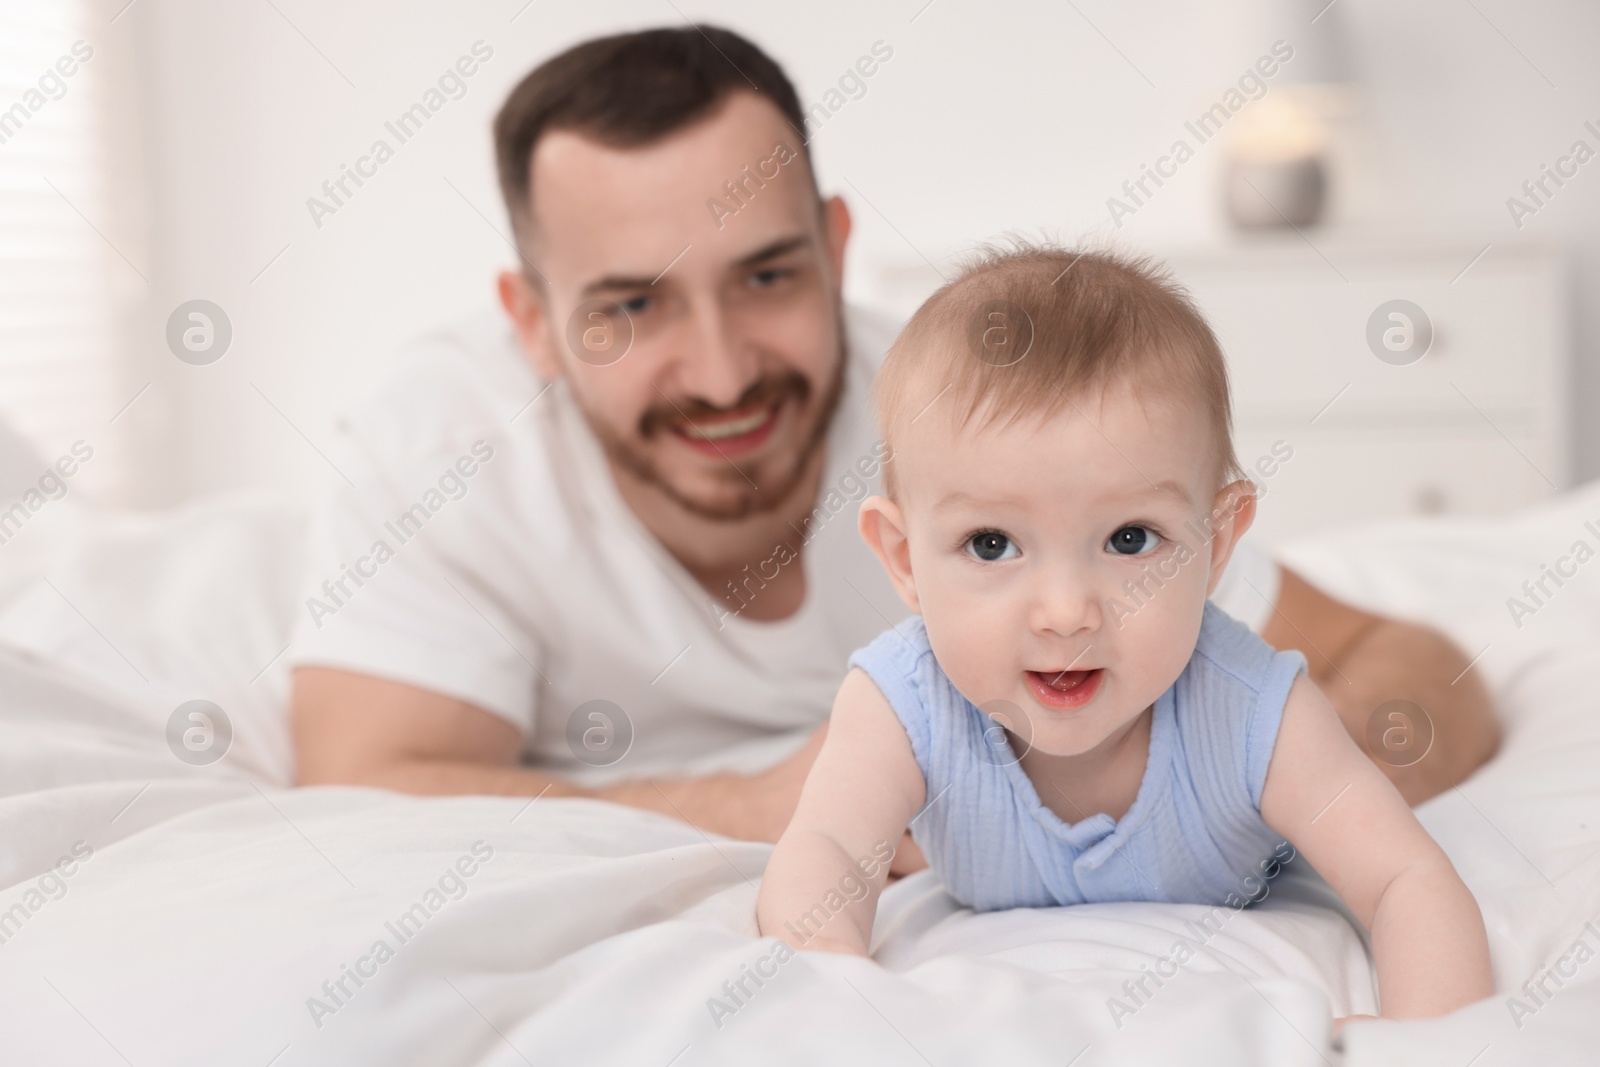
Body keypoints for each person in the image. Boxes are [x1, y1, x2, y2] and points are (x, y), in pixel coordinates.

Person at [289, 27, 1498, 871]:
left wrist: (1305, 804)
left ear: (834, 243)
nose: (720, 372)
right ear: (531, 322)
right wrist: (758, 806)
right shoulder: (442, 443)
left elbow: (1404, 658)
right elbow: (363, 779)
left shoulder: (971, 416)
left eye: (766, 275)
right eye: (633, 306)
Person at [755, 246, 1493, 1026]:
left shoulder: (1257, 712)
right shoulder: (902, 701)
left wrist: (1428, 1034)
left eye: (1131, 539)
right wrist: (834, 994)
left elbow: (1406, 877)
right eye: (992, 544)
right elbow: (823, 854)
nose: (1067, 612)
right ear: (904, 560)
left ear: (1216, 541)